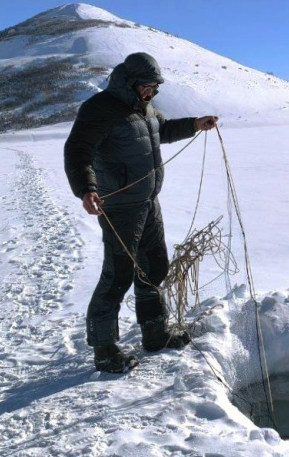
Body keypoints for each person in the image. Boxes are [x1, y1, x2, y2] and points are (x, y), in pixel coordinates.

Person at [64, 52, 218, 373]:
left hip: (148, 202)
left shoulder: (145, 108)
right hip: (119, 207)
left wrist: (193, 124)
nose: (151, 93)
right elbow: (78, 150)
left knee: (154, 267)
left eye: (155, 88)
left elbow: (161, 131)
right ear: (129, 82)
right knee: (117, 276)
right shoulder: (99, 108)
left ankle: (155, 333)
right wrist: (87, 189)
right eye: (146, 87)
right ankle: (104, 349)